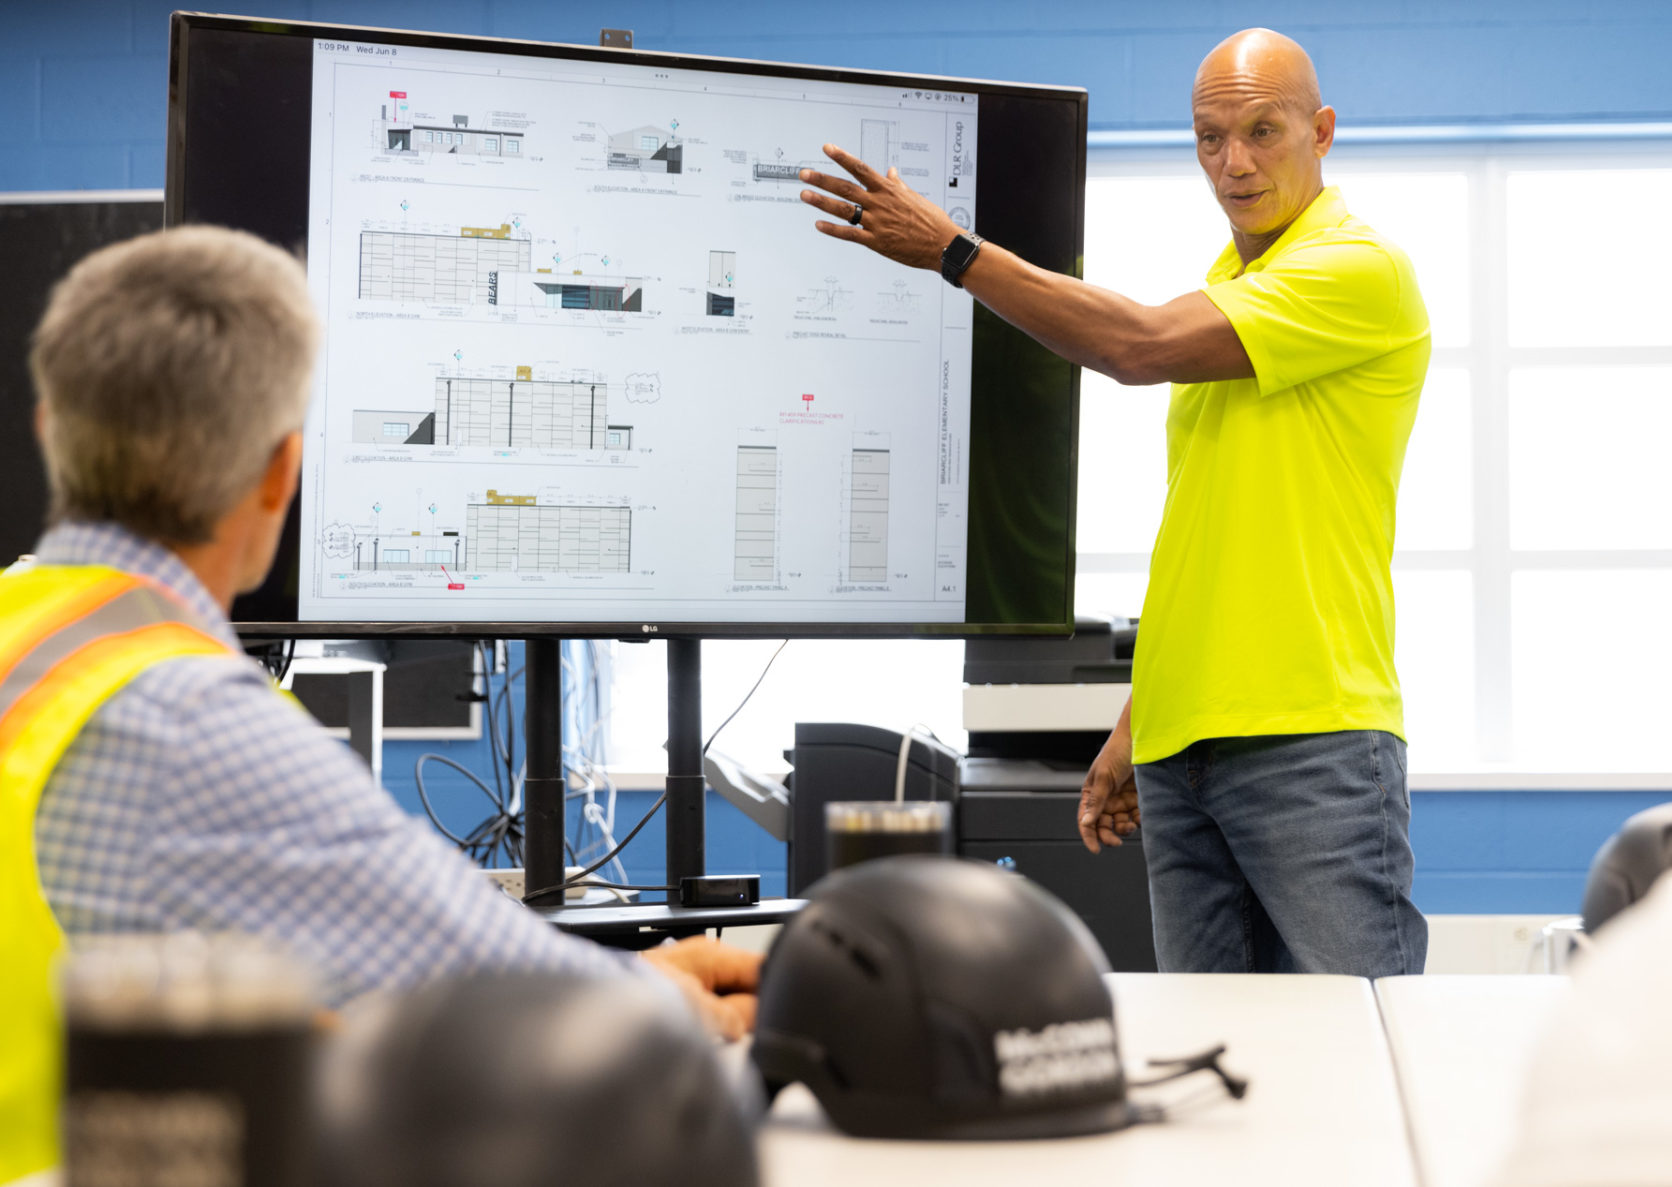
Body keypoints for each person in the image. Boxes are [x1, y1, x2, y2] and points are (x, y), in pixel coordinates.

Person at [0, 226, 759, 1181]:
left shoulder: (25, 636)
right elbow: (528, 1009)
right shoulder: (190, 717)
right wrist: (668, 996)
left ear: (47, 429)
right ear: (282, 471)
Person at [798, 28, 1430, 975]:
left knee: (1363, 1044)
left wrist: (952, 251)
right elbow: (1215, 532)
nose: (1236, 162)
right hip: (1184, 747)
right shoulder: (1233, 284)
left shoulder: (1358, 269)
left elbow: (1134, 346)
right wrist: (1141, 722)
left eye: (1262, 130)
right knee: (1223, 1061)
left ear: (1322, 130)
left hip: (1312, 741)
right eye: (1211, 138)